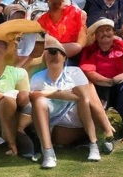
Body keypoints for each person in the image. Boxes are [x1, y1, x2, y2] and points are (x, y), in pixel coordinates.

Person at [27, 36, 116, 168]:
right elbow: (33, 97)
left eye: (57, 52)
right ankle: (48, 153)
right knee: (39, 101)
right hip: (54, 121)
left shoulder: (74, 71)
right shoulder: (38, 77)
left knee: (86, 92)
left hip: (79, 114)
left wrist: (58, 94)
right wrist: (61, 94)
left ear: (64, 58)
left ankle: (95, 142)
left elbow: (81, 96)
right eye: (49, 52)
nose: (53, 56)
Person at [80, 18, 123, 148]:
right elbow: (88, 71)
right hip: (100, 88)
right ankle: (101, 133)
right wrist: (111, 81)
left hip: (120, 86)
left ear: (114, 32)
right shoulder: (89, 50)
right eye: (100, 31)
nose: (105, 34)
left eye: (108, 30)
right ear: (95, 36)